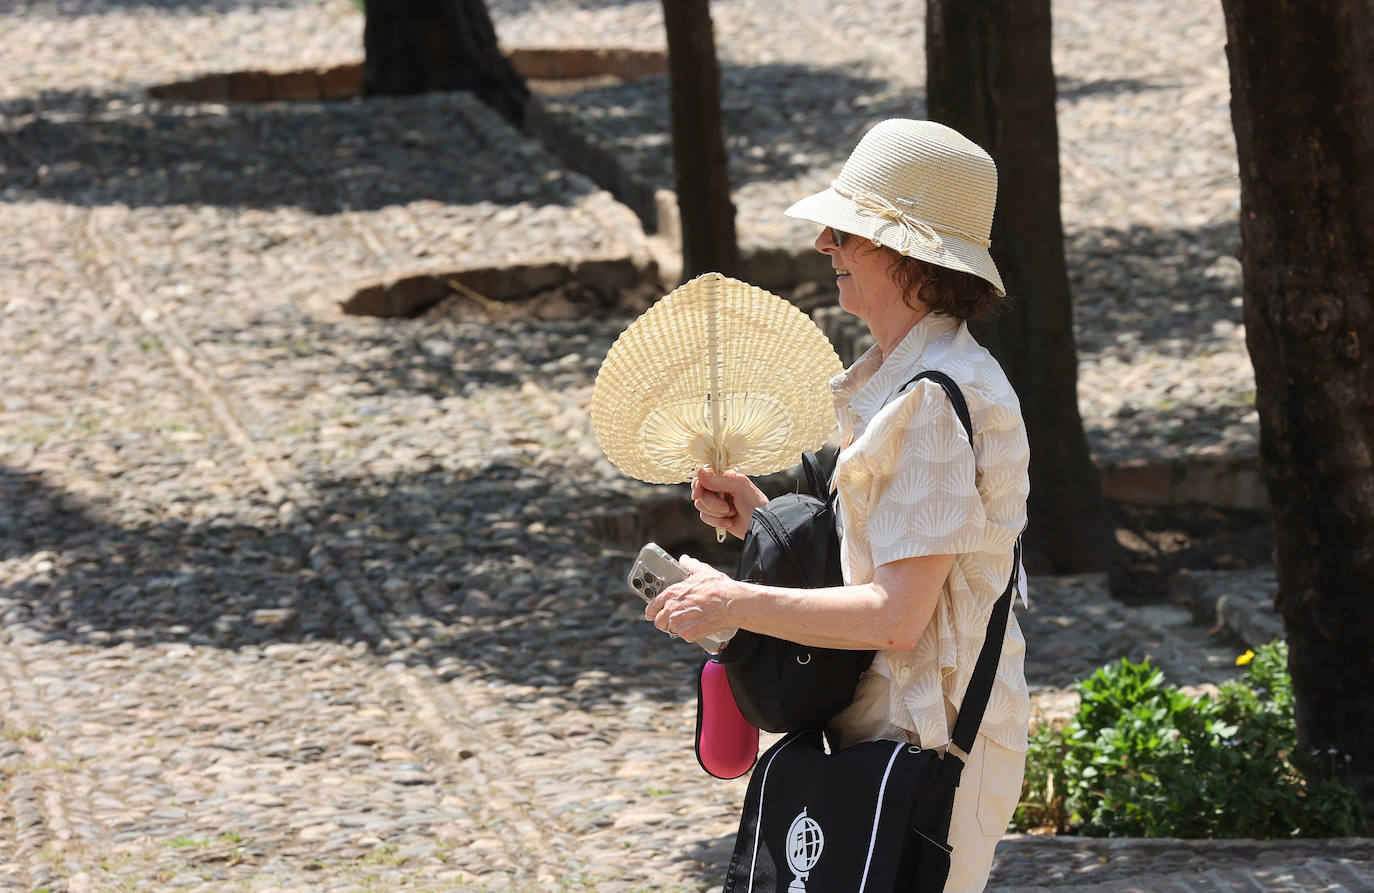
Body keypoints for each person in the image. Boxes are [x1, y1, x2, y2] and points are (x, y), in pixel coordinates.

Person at [643, 119, 1031, 893]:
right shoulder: (909, 379)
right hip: (893, 732)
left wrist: (737, 599)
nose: (826, 242)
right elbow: (885, 550)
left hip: (930, 745)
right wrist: (761, 515)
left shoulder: (933, 398)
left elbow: (896, 615)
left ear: (906, 254)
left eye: (848, 230)